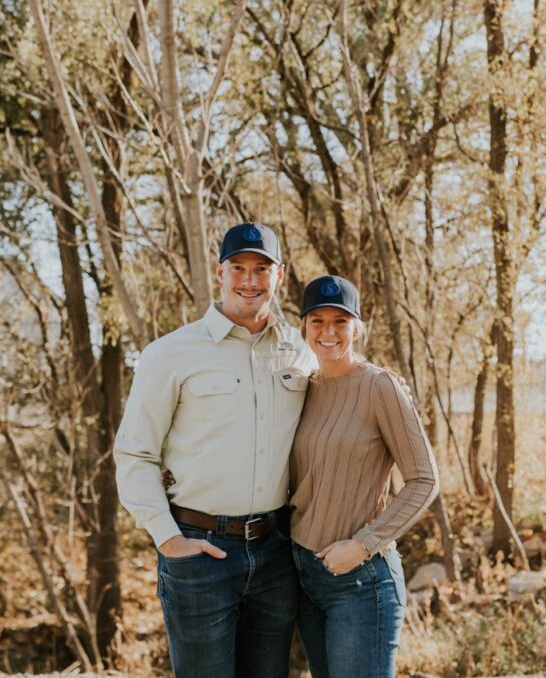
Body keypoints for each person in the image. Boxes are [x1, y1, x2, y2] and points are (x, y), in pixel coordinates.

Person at [113, 222, 314, 678]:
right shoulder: (170, 353)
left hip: (275, 552)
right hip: (198, 552)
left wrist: (379, 384)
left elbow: (339, 395)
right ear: (219, 272)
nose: (249, 280)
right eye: (238, 268)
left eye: (261, 269)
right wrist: (168, 538)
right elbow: (134, 454)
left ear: (278, 276)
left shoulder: (298, 353)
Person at [289, 275, 439, 678]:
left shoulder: (380, 386)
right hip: (305, 576)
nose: (328, 331)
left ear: (357, 327)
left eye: (340, 321)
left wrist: (364, 544)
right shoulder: (302, 388)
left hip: (360, 582)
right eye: (317, 320)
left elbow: (424, 480)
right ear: (303, 326)